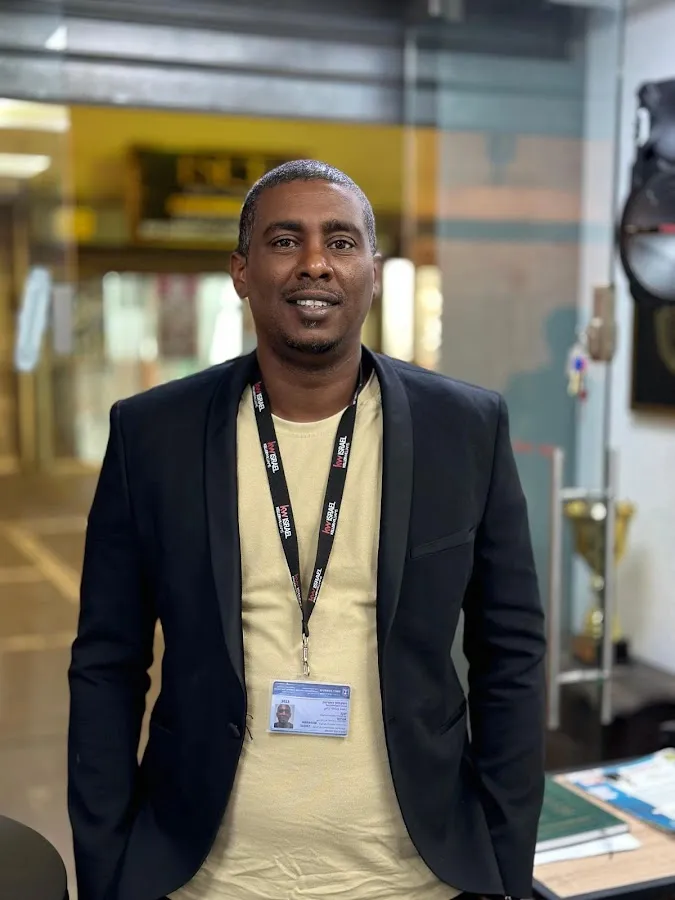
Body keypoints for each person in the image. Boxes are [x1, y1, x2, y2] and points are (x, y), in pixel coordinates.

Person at [68, 159, 546, 900]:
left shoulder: (465, 429)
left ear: (373, 271)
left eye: (341, 242)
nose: (315, 263)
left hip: (416, 878)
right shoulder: (152, 434)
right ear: (241, 270)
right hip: (208, 879)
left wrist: (506, 860)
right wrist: (107, 867)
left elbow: (510, 653)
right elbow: (108, 662)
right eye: (285, 240)